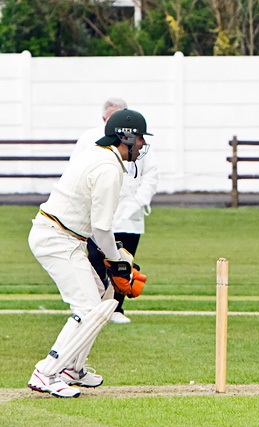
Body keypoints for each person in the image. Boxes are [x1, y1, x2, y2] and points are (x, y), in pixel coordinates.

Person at [27, 109, 151, 397]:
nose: (143, 144)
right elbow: (103, 228)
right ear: (126, 138)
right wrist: (119, 264)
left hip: (64, 235)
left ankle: (73, 369)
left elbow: (97, 228)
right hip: (57, 238)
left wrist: (114, 257)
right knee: (87, 308)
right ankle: (46, 372)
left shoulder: (98, 154)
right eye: (141, 137)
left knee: (98, 302)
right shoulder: (109, 168)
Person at [72, 98, 159, 324]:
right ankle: (92, 307)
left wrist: (135, 203)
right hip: (90, 216)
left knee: (124, 260)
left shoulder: (135, 149)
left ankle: (114, 307)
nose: (140, 144)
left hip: (129, 216)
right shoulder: (95, 147)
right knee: (95, 261)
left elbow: (151, 174)